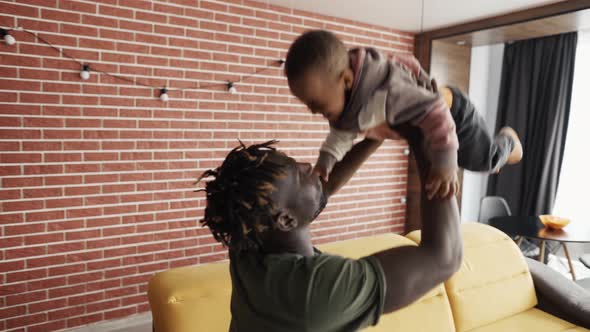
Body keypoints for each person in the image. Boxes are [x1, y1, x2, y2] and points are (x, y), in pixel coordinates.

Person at [197, 133, 463, 331]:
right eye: (299, 175)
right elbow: (445, 257)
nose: (307, 166)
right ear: (286, 220)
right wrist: (428, 136)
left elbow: (322, 188)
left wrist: (376, 136)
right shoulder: (311, 290)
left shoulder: (249, 241)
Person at [284, 30, 523, 200]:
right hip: (425, 113)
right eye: (307, 105)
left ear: (346, 79)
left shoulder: (387, 93)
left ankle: (508, 141)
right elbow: (341, 135)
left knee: (482, 161)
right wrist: (326, 162)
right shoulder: (346, 104)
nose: (313, 111)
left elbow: (436, 112)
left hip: (451, 114)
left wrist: (446, 161)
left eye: (316, 103)